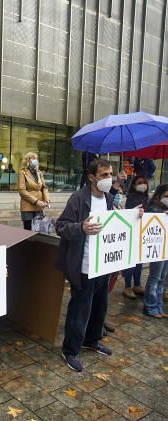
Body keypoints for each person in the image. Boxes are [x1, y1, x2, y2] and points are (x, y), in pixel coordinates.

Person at [56, 158, 141, 372]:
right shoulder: (78, 199)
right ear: (92, 177)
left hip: (103, 266)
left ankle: (92, 340)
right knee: (80, 310)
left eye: (110, 174)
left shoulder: (111, 199)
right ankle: (70, 350)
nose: (109, 178)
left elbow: (118, 224)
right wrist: (81, 227)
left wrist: (134, 216)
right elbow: (61, 227)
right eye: (104, 175)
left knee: (100, 306)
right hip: (83, 266)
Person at [122, 175, 150, 299]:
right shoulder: (132, 197)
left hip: (142, 233)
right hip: (132, 233)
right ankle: (128, 286)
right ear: (133, 185)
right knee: (130, 261)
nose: (143, 184)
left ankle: (137, 284)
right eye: (140, 182)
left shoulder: (145, 197)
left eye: (144, 182)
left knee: (139, 260)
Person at [143, 184, 168, 318]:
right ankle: (150, 306)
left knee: (162, 278)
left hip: (166, 248)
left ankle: (158, 306)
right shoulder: (153, 208)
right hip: (157, 249)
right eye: (166, 196)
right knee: (155, 277)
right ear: (159, 195)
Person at [18, 152, 50, 230]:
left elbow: (44, 188)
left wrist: (46, 200)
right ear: (27, 161)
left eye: (35, 159)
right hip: (27, 205)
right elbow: (22, 190)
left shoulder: (39, 173)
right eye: (32, 159)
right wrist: (36, 201)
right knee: (28, 230)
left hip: (39, 206)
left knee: (39, 230)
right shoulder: (22, 172)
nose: (35, 160)